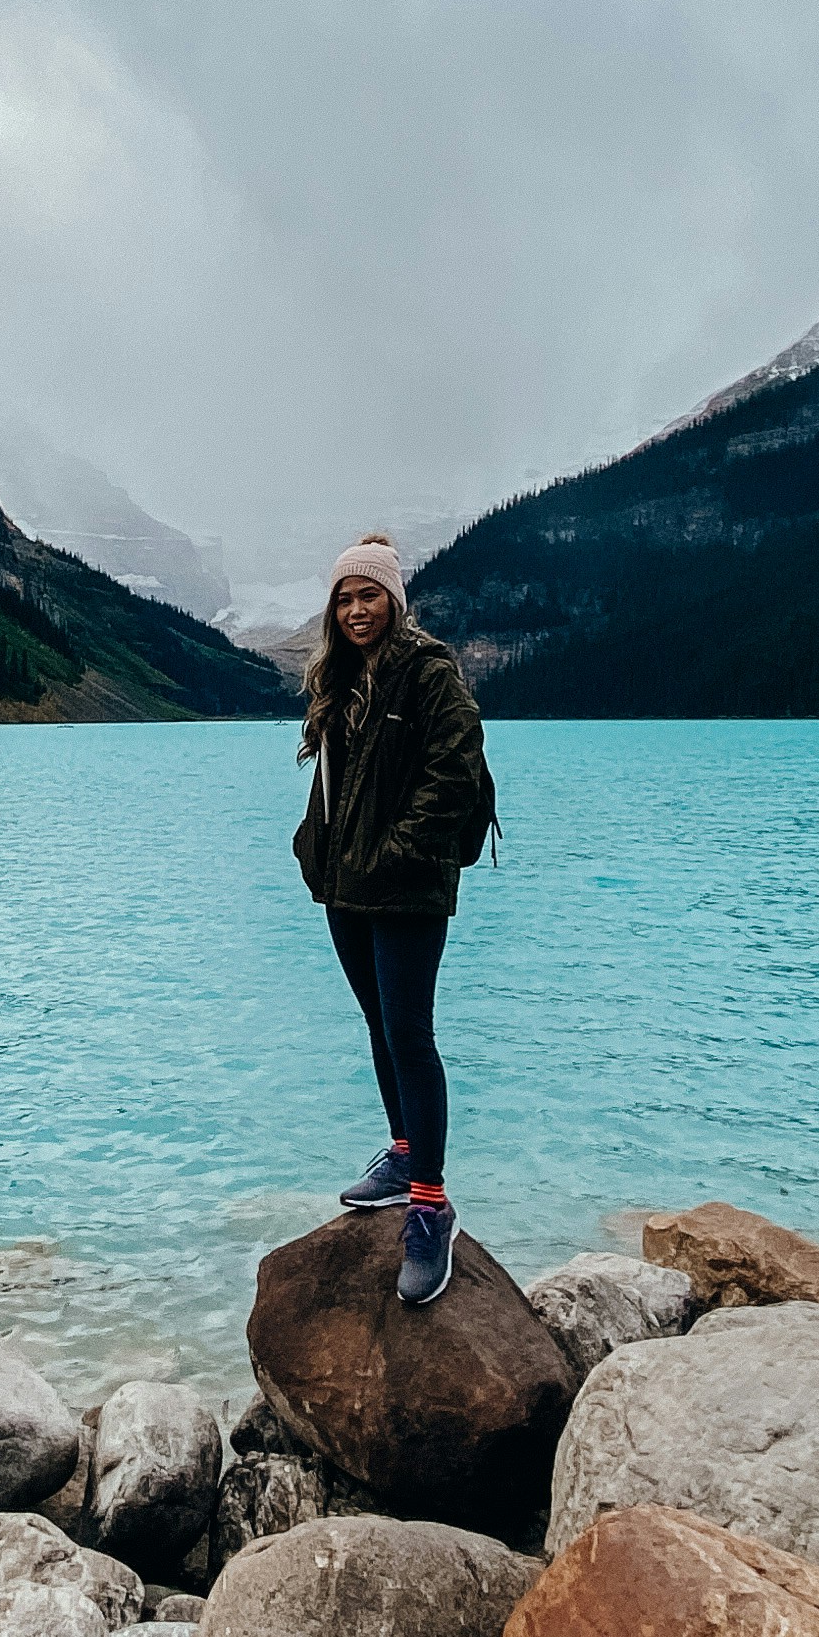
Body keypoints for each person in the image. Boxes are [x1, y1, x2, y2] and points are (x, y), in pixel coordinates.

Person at [291, 530, 498, 1308]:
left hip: (406, 887)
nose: (354, 610)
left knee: (410, 1031)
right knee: (380, 1025)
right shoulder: (341, 681)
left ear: (394, 600)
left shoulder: (429, 673)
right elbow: (338, 785)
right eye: (343, 598)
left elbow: (455, 772)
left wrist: (395, 852)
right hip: (346, 889)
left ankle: (431, 1206)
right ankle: (403, 1154)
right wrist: (316, 850)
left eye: (367, 594)